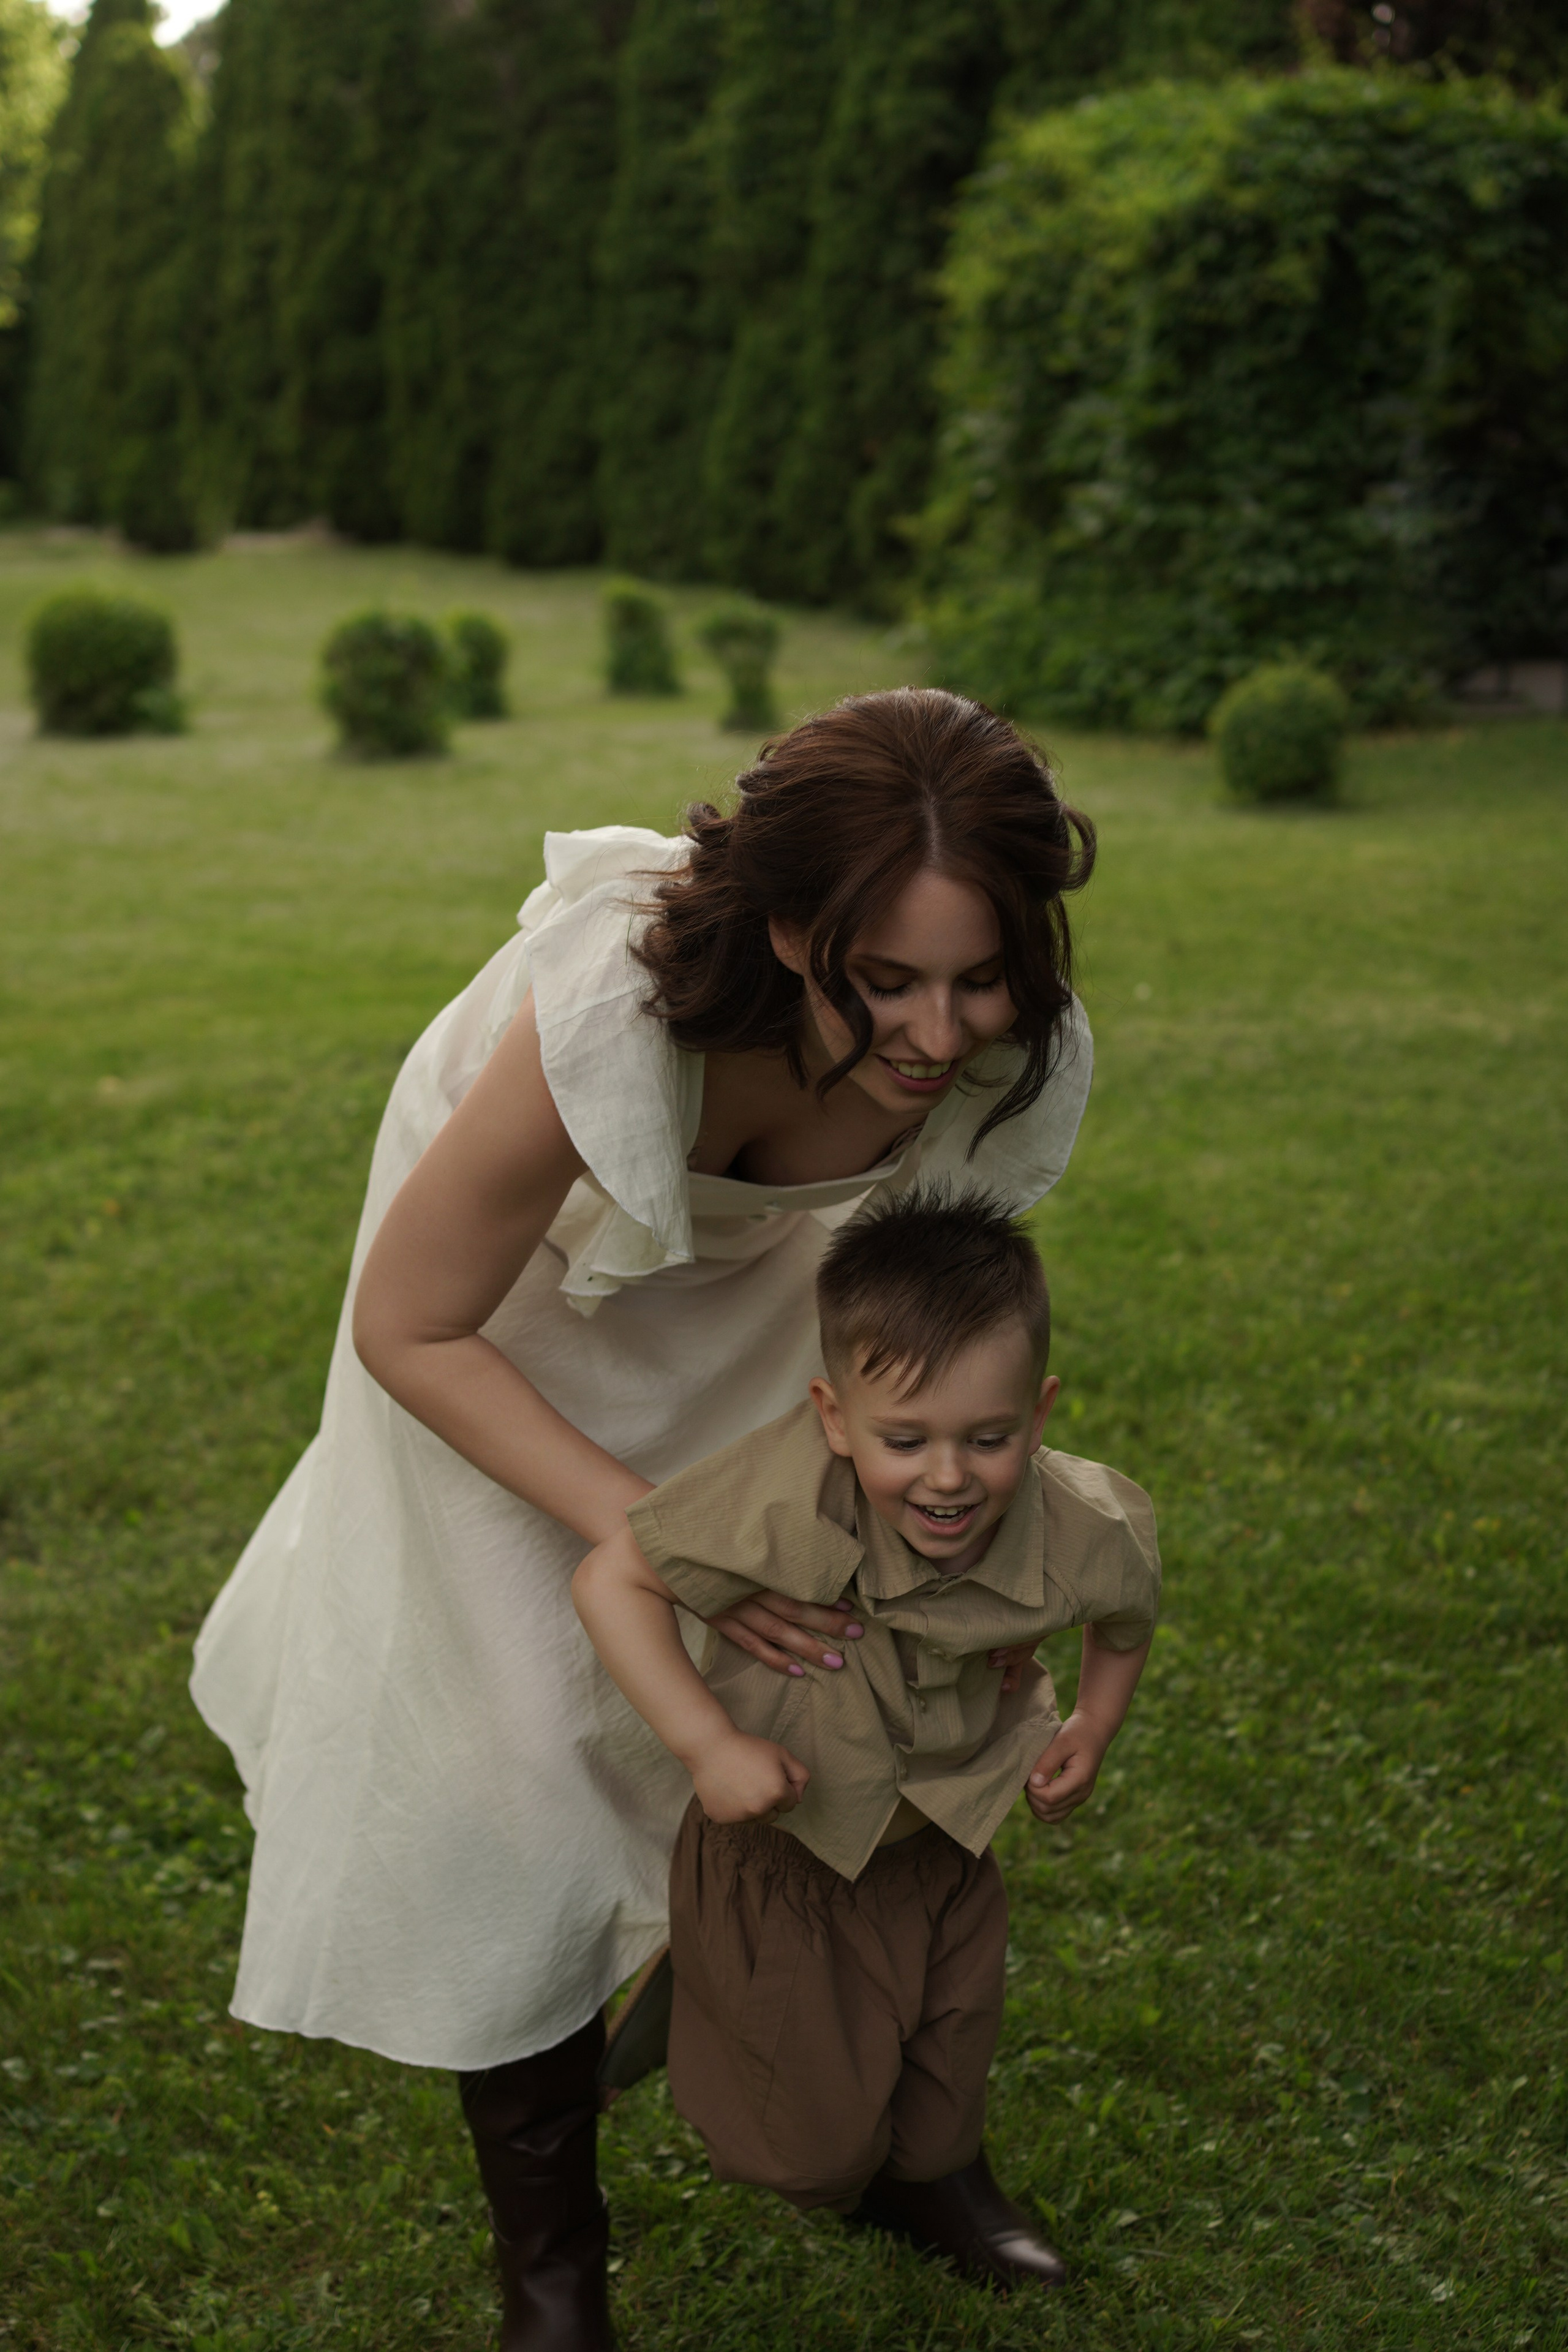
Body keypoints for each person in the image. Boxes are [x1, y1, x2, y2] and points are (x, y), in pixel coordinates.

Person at [189, 688, 1097, 2351]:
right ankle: (555, 2273)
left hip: (764, 1328)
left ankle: (911, 2150)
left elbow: (923, 1279)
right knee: (519, 1775)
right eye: (887, 981)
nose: (945, 1030)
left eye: (983, 976)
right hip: (499, 1335)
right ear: (783, 925)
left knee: (859, 1724)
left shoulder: (998, 1039)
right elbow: (412, 1329)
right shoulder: (605, 1017)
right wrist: (664, 1536)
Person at [573, 1183, 1158, 2291]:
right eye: (906, 1440)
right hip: (790, 1850)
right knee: (808, 2153)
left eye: (989, 1438)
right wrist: (708, 1744)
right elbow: (613, 1578)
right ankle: (690, 1992)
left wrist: (1096, 1717)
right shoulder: (791, 1498)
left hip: (943, 1839)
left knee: (941, 2090)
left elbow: (1127, 1610)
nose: (948, 1477)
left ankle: (935, 2177)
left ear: (1039, 1414)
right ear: (835, 1418)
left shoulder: (1083, 1520)